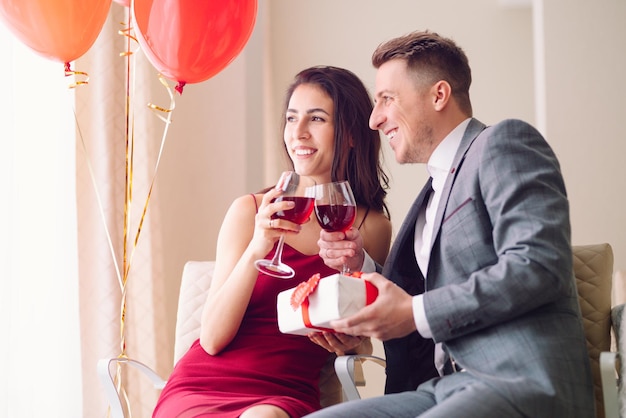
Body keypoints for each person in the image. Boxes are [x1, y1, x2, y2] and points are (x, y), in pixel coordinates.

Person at [307, 30, 595, 418]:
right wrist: (364, 268)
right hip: (443, 387)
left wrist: (415, 312)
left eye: (387, 99)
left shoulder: (503, 143)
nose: (375, 119)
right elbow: (420, 290)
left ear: (438, 95)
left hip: (520, 383)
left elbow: (539, 266)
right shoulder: (433, 190)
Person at [152, 66, 392, 418]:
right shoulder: (248, 211)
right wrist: (258, 246)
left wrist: (350, 343)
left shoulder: (371, 228)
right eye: (292, 118)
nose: (298, 133)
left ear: (351, 133)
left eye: (317, 119)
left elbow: (364, 322)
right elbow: (212, 339)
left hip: (283, 393)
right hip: (202, 386)